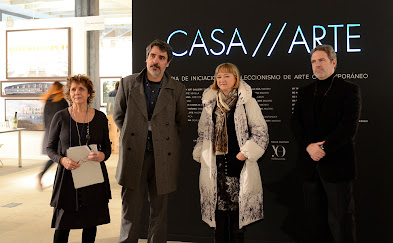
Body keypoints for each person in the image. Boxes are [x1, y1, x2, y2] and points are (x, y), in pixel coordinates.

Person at [113, 39, 188, 243]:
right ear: (146, 58)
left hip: (162, 156)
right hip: (133, 154)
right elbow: (118, 116)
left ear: (167, 63)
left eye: (161, 58)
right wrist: (133, 133)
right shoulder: (128, 84)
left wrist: (162, 140)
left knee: (159, 210)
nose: (156, 61)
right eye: (153, 56)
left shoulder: (177, 89)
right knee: (130, 208)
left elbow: (181, 122)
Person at [292, 45, 361, 243]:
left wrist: (322, 148)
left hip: (337, 166)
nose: (317, 65)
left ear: (333, 62)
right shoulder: (304, 92)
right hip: (310, 167)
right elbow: (296, 123)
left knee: (341, 221)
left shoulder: (349, 90)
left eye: (321, 60)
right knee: (314, 222)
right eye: (313, 61)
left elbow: (348, 128)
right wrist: (309, 147)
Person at [193, 63, 269, 242]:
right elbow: (203, 132)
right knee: (217, 217)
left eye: (227, 76)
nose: (222, 80)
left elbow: (260, 132)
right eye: (219, 76)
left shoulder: (247, 101)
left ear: (236, 78)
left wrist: (244, 154)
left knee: (237, 219)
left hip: (237, 164)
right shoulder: (210, 103)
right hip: (215, 167)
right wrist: (202, 154)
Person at [47, 74, 112, 243]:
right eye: (73, 89)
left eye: (81, 88)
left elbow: (107, 147)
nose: (77, 92)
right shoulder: (60, 117)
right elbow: (50, 148)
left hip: (92, 176)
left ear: (89, 92)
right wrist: (62, 160)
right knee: (62, 226)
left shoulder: (100, 118)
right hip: (67, 177)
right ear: (69, 92)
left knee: (90, 225)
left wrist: (103, 155)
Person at [37, 81, 69, 190]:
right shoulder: (62, 102)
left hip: (49, 133)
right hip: (60, 133)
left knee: (57, 156)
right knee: (61, 156)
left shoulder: (47, 101)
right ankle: (59, 180)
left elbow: (45, 120)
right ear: (60, 89)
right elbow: (66, 119)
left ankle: (44, 175)